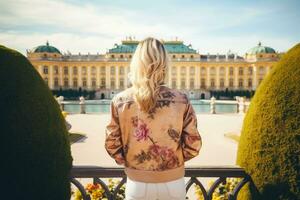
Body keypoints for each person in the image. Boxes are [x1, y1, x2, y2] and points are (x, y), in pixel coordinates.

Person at [105, 37, 202, 200]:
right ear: (165, 64)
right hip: (173, 183)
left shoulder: (120, 100)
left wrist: (132, 162)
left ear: (136, 64)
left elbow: (111, 144)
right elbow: (194, 143)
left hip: (137, 183)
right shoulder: (181, 99)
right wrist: (173, 160)